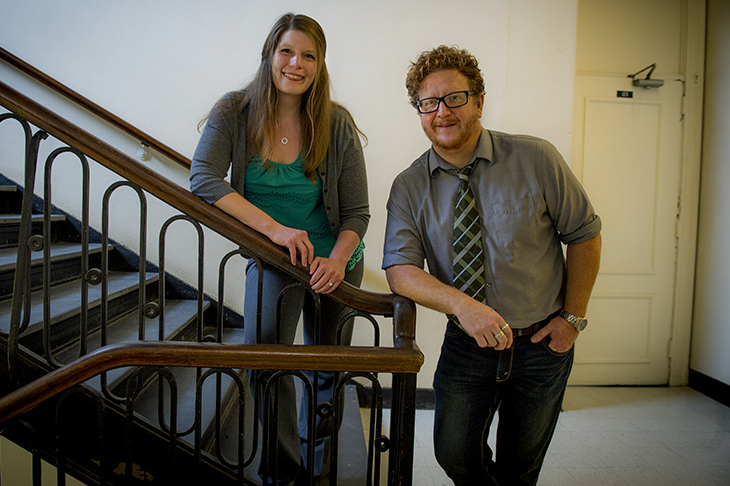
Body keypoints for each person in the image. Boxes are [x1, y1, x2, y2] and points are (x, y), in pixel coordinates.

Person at [382, 45, 602, 486]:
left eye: (455, 98)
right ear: (420, 112)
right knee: (454, 455)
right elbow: (400, 270)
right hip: (468, 345)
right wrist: (463, 306)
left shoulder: (536, 158)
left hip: (543, 345)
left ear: (479, 101)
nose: (442, 112)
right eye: (429, 103)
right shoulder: (409, 186)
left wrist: (572, 319)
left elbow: (584, 234)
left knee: (521, 466)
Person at [189, 13, 369, 485]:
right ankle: (284, 473)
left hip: (336, 260)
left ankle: (319, 468)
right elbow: (204, 178)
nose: (296, 63)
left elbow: (357, 214)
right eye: (287, 51)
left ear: (321, 64)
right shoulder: (234, 111)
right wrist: (276, 231)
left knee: (328, 368)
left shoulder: (337, 123)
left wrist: (336, 259)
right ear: (270, 54)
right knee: (265, 364)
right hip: (274, 257)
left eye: (309, 55)